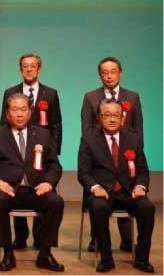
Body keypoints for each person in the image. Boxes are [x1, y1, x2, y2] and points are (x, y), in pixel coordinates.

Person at [0, 93, 65, 272]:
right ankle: (7, 253)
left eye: (23, 109)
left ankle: (45, 253)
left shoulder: (43, 134)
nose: (19, 114)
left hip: (36, 190)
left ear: (30, 112)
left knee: (56, 202)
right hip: (7, 189)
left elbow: (54, 166)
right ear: (7, 113)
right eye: (15, 109)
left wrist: (49, 183)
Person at [78, 99, 155, 273]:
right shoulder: (89, 140)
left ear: (122, 118)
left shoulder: (133, 138)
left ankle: (142, 259)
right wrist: (95, 187)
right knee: (98, 208)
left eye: (116, 115)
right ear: (99, 118)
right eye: (107, 115)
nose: (112, 119)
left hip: (129, 192)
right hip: (103, 192)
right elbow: (83, 173)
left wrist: (140, 186)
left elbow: (143, 170)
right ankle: (106, 259)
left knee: (147, 208)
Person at [0, 53, 62, 250]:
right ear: (20, 69)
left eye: (32, 66)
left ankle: (40, 237)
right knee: (18, 183)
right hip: (17, 149)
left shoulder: (50, 93)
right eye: (25, 66)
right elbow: (3, 122)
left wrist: (53, 150)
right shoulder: (10, 92)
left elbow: (56, 124)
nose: (28, 69)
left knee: (42, 190)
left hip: (42, 152)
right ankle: (20, 236)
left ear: (39, 69)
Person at [81, 56, 143, 252]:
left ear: (120, 73)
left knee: (126, 187)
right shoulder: (91, 97)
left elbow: (138, 128)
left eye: (113, 71)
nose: (109, 76)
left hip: (126, 154)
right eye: (104, 72)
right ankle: (96, 239)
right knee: (98, 196)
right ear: (100, 75)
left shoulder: (132, 97)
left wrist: (136, 152)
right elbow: (87, 129)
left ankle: (127, 239)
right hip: (100, 153)